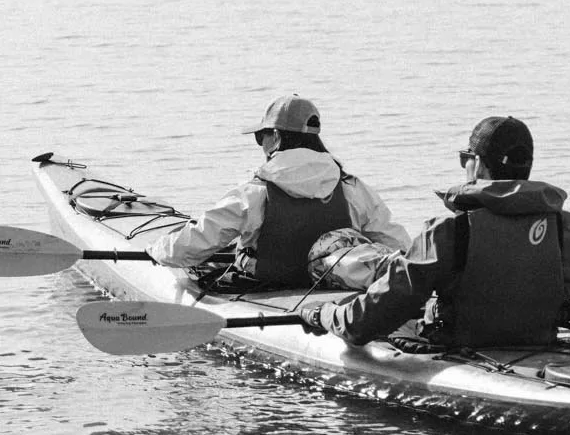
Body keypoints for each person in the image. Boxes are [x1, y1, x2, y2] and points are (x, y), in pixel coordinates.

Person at [304, 114, 570, 348]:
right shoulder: (567, 229)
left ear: (478, 163)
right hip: (539, 343)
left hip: (457, 346)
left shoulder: (448, 231)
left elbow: (364, 323)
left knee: (401, 314)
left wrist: (326, 315)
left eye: (466, 158)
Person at [149, 94, 408, 289]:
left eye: (261, 137)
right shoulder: (352, 187)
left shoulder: (254, 193)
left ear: (275, 137)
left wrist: (156, 250)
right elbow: (400, 247)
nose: (261, 144)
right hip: (330, 286)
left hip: (266, 287)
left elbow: (188, 248)